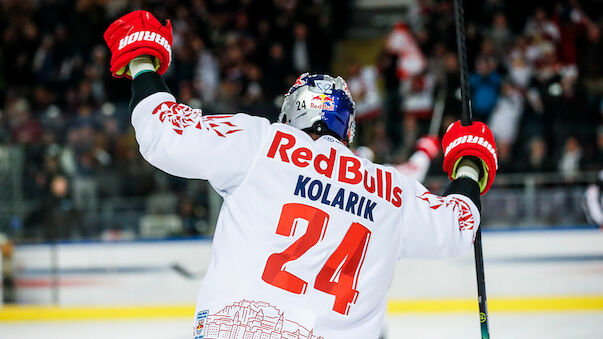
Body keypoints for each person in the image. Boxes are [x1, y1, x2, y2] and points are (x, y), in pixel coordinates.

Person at [104, 11, 498, 339]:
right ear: (348, 128)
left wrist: (142, 62)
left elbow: (166, 135)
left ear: (292, 111)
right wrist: (469, 162)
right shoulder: (390, 188)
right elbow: (458, 225)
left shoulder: (260, 141)